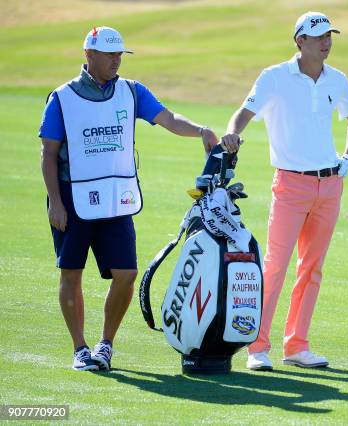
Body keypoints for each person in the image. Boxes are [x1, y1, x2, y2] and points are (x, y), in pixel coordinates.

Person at [39, 26, 219, 371]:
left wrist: (200, 129)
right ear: (88, 55)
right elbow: (48, 154)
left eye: (120, 54)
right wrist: (55, 203)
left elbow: (168, 118)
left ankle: (105, 345)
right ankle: (80, 348)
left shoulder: (131, 92)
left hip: (115, 198)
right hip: (71, 198)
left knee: (126, 272)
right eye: (110, 54)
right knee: (71, 273)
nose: (116, 60)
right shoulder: (62, 97)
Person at [222, 11, 348, 370]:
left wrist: (347, 159)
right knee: (275, 266)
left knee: (312, 268)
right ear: (300, 41)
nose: (326, 42)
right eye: (318, 37)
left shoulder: (337, 79)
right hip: (290, 184)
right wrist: (233, 133)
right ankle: (257, 348)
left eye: (329, 36)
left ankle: (296, 345)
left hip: (330, 185)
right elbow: (244, 113)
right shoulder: (274, 77)